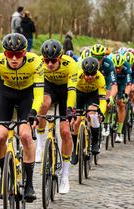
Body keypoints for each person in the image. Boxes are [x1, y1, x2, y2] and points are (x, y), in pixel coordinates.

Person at [0, 33, 44, 202]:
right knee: (0, 136)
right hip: (6, 93)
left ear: (25, 53)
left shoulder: (35, 62)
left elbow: (39, 94)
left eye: (18, 54)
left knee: (25, 135)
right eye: (9, 54)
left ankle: (29, 183)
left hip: (27, 95)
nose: (14, 58)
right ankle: (4, 175)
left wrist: (33, 113)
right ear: (4, 53)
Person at [36, 39, 78, 194]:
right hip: (49, 87)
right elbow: (35, 87)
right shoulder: (39, 63)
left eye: (53, 60)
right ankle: (40, 146)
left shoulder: (71, 64)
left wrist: (69, 110)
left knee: (66, 132)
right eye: (46, 60)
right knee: (43, 105)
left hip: (66, 90)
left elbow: (73, 90)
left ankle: (65, 175)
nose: (49, 64)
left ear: (60, 57)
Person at [72, 56, 107, 159]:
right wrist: (71, 110)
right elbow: (70, 94)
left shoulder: (100, 78)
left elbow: (102, 100)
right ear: (83, 72)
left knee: (93, 114)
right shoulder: (77, 76)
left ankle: (95, 142)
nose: (89, 77)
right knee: (77, 121)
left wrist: (101, 112)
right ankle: (75, 149)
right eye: (87, 74)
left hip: (93, 95)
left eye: (92, 74)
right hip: (79, 94)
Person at [90, 44, 117, 139]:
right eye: (94, 57)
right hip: (90, 86)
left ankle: (104, 123)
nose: (97, 60)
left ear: (104, 56)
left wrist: (111, 98)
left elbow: (113, 84)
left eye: (100, 57)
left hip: (105, 85)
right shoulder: (86, 62)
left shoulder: (109, 64)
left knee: (107, 100)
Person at [111, 53, 132, 143]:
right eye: (116, 67)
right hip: (113, 82)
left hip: (123, 83)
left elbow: (128, 84)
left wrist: (126, 95)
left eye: (119, 67)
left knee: (121, 104)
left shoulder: (127, 68)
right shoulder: (111, 67)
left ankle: (119, 132)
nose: (117, 69)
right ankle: (107, 123)